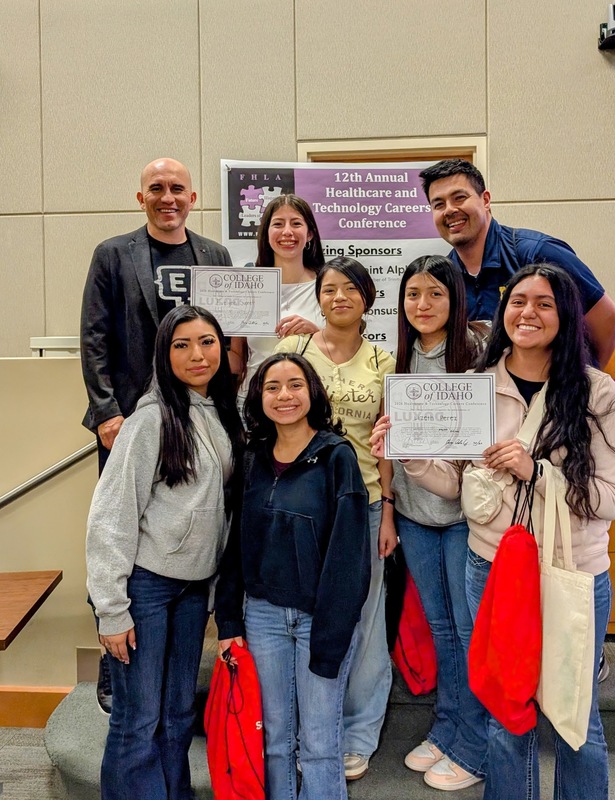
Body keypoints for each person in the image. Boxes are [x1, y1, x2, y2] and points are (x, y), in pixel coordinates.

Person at [372, 264, 615, 799]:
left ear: (567, 316)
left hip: (570, 571)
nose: (527, 313)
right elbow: (456, 485)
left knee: (575, 716)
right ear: (503, 311)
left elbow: (612, 499)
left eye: (544, 304)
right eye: (518, 302)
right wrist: (410, 453)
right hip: (490, 566)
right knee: (504, 712)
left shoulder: (596, 392)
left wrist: (534, 472)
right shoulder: (474, 388)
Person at [80, 157, 233, 713]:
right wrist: (105, 413)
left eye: (177, 189)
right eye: (156, 189)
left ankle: (176, 675)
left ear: (193, 197)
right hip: (131, 423)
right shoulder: (112, 254)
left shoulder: (214, 256)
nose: (167, 198)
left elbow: (225, 337)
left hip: (198, 415)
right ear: (139, 196)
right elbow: (94, 337)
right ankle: (113, 665)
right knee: (120, 535)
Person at [86, 305, 244, 800]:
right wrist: (112, 610)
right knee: (139, 719)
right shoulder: (150, 419)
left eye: (207, 342)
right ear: (164, 354)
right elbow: (111, 516)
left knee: (177, 716)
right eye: (182, 345)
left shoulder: (222, 413)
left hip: (193, 589)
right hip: (146, 588)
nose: (197, 355)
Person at [215, 353, 371, 800]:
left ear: (312, 392)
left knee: (321, 744)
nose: (285, 395)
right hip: (262, 618)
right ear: (259, 396)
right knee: (276, 741)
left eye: (295, 385)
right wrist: (229, 620)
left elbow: (349, 557)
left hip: (319, 621)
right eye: (273, 387)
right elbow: (236, 544)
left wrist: (331, 632)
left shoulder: (336, 456)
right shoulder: (251, 459)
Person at [274, 257, 397, 781]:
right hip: (301, 513)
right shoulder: (293, 351)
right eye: (329, 289)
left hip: (364, 508)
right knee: (300, 621)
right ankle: (307, 728)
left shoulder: (385, 361)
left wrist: (389, 508)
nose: (339, 297)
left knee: (366, 624)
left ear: (368, 298)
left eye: (351, 289)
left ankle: (358, 733)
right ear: (317, 297)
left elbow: (391, 444)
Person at [390, 255, 487, 791]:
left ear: (454, 299)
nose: (422, 305)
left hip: (462, 518)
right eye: (412, 295)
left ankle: (474, 744)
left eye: (434, 294)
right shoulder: (400, 360)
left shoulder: (476, 356)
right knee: (442, 628)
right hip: (413, 514)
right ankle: (448, 728)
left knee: (469, 631)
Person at [418, 158, 615, 367]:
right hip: (488, 394)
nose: (449, 210)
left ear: (485, 200)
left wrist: (584, 379)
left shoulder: (539, 253)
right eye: (439, 204)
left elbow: (605, 318)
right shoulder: (444, 276)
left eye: (459, 198)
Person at [231, 194, 326, 393]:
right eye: (278, 224)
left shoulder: (327, 287)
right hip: (253, 400)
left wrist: (315, 335)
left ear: (310, 234)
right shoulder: (247, 287)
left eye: (296, 223)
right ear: (266, 233)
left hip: (310, 399)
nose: (287, 232)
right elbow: (237, 360)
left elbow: (343, 351)